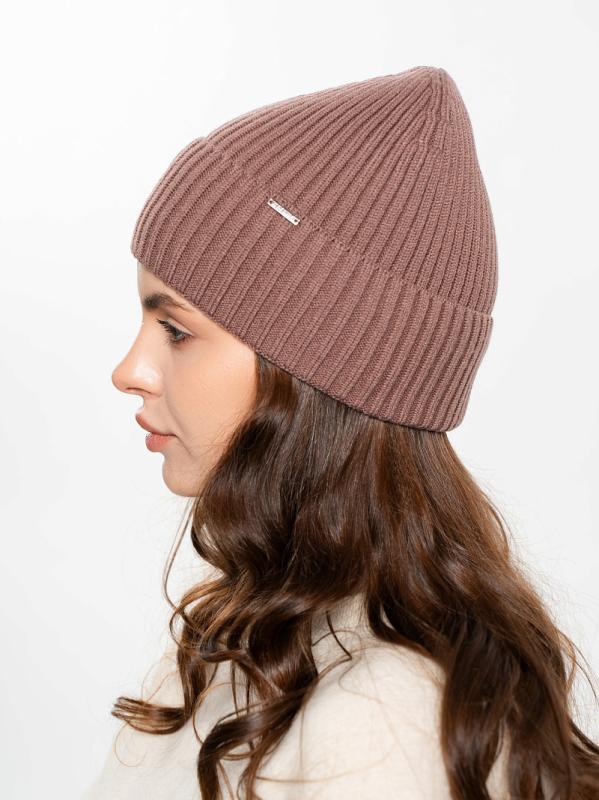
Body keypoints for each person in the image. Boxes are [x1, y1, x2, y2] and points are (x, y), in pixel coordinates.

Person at [83, 66, 599, 799]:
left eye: (175, 330)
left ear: (319, 370)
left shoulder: (382, 721)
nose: (129, 371)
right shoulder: (236, 647)